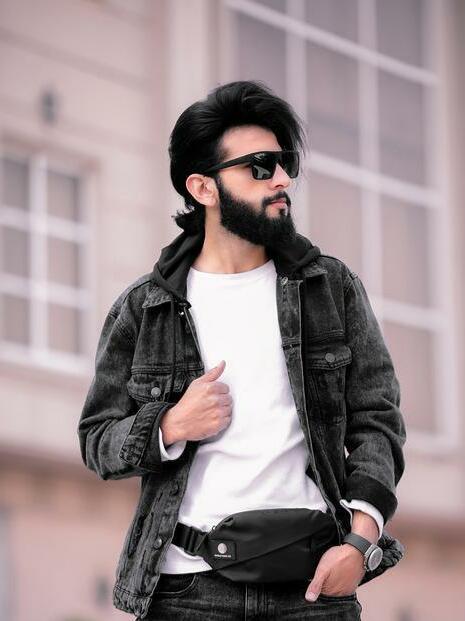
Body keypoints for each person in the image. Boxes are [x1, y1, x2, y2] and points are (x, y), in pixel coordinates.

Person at [77, 80, 407, 620]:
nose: (281, 180)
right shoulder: (146, 308)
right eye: (259, 166)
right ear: (203, 188)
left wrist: (360, 542)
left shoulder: (330, 289)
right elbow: (97, 439)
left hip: (312, 590)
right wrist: (169, 426)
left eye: (284, 163)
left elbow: (378, 420)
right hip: (187, 592)